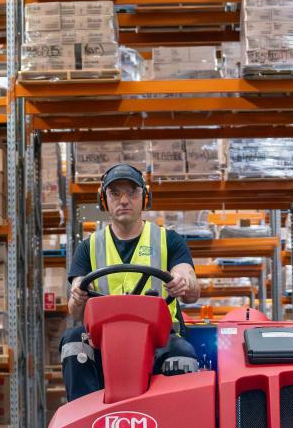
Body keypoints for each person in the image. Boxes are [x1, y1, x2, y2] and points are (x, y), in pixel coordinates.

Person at [60, 163, 202, 401]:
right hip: (104, 341)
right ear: (104, 200)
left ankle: (172, 418)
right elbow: (75, 309)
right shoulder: (89, 247)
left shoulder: (168, 240)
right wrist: (77, 296)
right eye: (115, 193)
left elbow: (190, 285)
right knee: (73, 341)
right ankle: (87, 415)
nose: (124, 200)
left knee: (182, 352)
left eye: (132, 193)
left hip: (158, 339)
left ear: (144, 198)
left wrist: (184, 281)